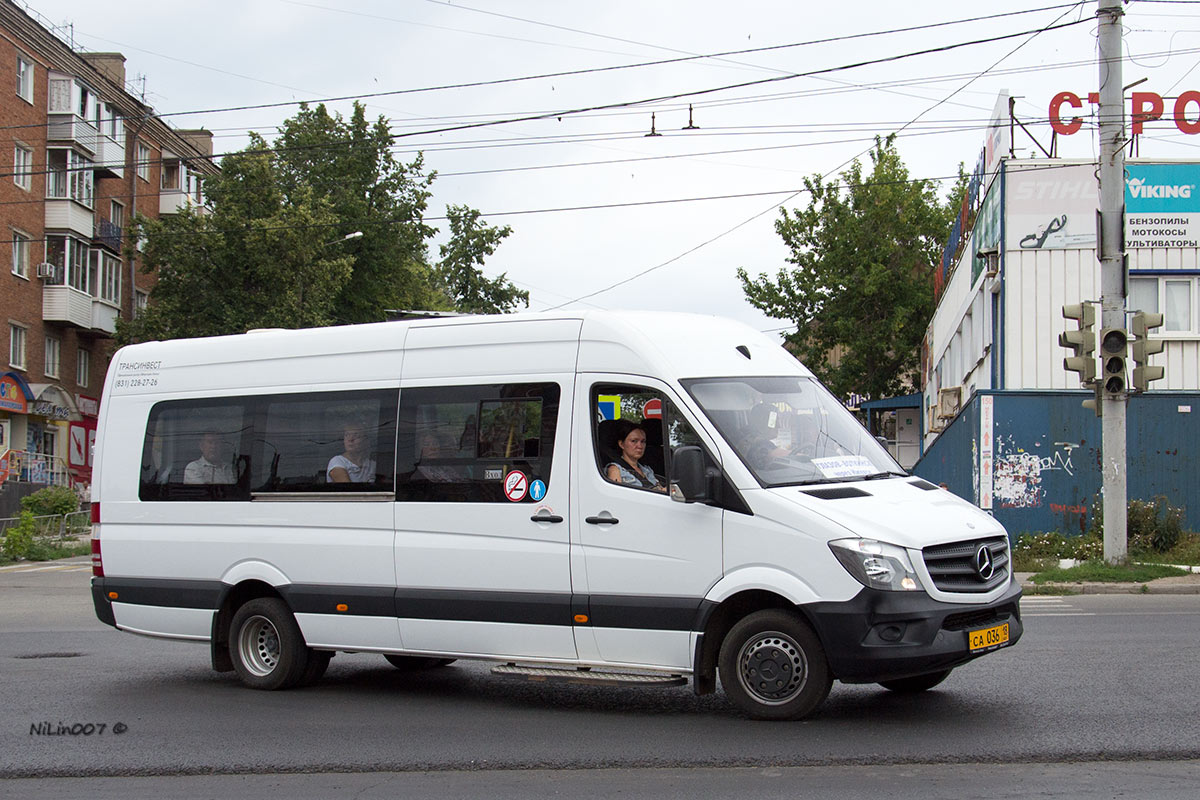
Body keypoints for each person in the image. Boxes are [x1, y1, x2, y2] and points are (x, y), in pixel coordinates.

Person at [605, 421, 666, 492]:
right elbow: (617, 497)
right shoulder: (615, 470)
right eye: (634, 441)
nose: (640, 446)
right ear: (621, 444)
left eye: (643, 441)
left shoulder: (647, 470)